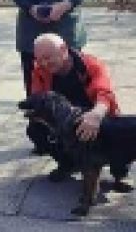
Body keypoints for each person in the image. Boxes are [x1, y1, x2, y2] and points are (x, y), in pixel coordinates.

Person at [28, 33, 132, 190]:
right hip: (66, 122)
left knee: (120, 133)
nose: (43, 63)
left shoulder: (91, 64)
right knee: (36, 130)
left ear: (63, 50)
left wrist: (96, 115)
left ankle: (118, 173)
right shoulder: (40, 70)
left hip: (96, 116)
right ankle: (68, 163)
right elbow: (37, 99)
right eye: (39, 59)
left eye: (48, 57)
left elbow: (104, 93)